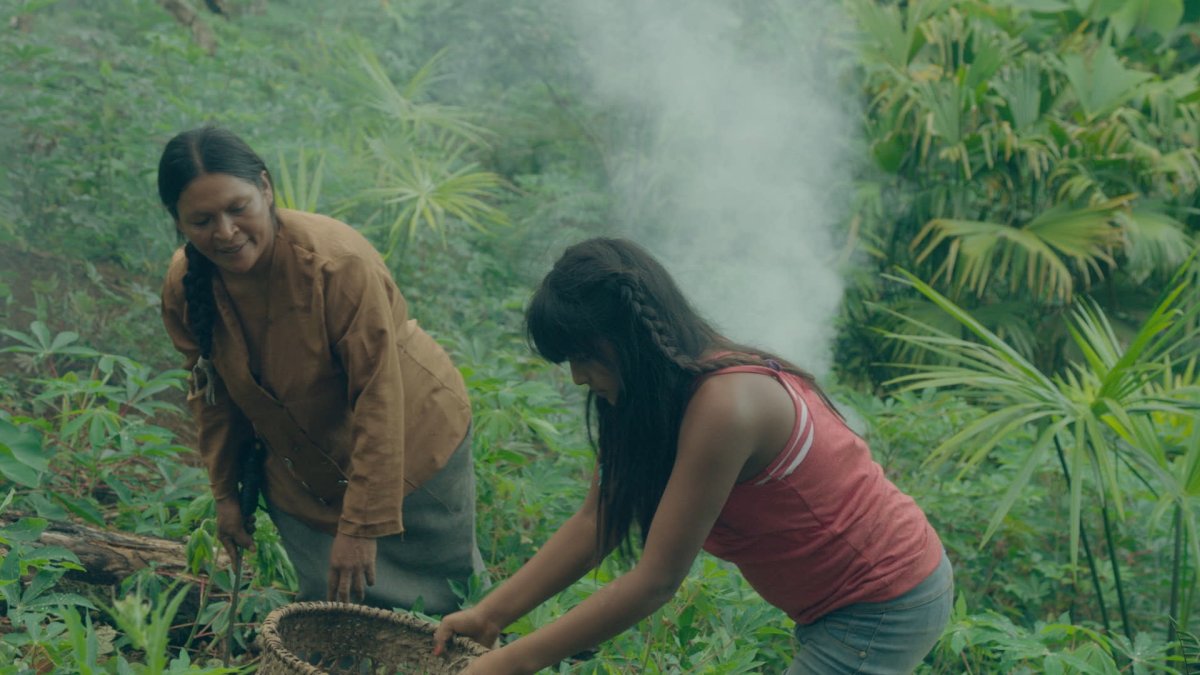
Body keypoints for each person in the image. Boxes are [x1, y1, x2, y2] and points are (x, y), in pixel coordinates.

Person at [433, 238, 952, 673]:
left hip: (885, 601)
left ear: (629, 341)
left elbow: (656, 580)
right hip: (831, 604)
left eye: (584, 356)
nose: (576, 376)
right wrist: (489, 616)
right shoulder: (640, 395)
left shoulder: (727, 406)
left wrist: (509, 663)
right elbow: (598, 521)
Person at [158, 125, 484, 613]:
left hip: (414, 451)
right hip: (303, 478)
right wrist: (225, 494)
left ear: (265, 189)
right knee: (331, 619)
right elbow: (213, 397)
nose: (225, 232)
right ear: (179, 222)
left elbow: (379, 394)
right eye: (202, 220)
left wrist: (361, 525)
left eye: (237, 208)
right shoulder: (186, 285)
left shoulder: (338, 263)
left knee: (448, 610)